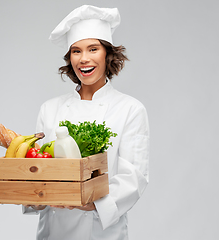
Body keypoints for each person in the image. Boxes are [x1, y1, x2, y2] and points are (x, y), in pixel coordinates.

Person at [23, 5, 150, 240]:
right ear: (69, 58)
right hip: (54, 231)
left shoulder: (130, 109)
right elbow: (39, 169)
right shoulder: (49, 109)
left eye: (93, 49)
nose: (84, 59)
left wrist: (93, 203)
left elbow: (135, 176)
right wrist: (37, 195)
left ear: (107, 54)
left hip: (102, 232)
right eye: (76, 51)